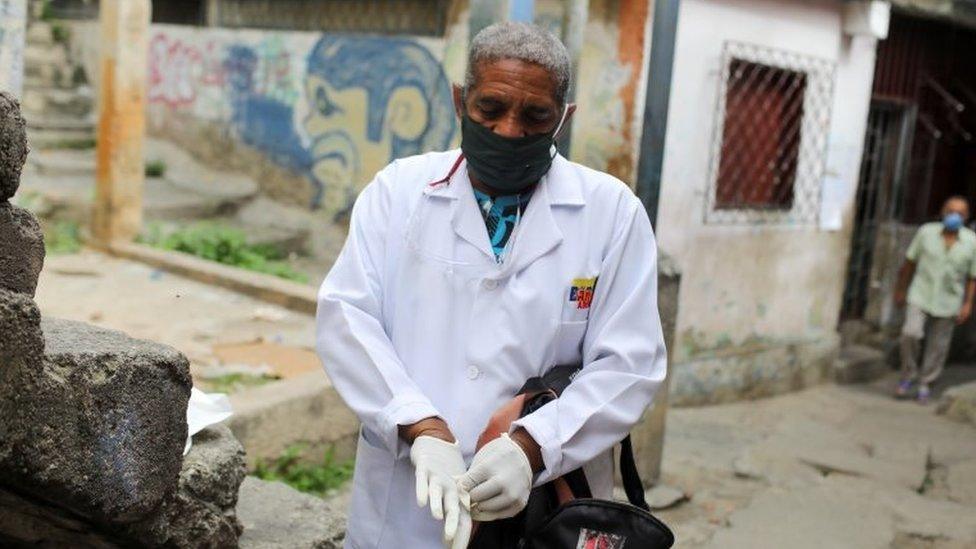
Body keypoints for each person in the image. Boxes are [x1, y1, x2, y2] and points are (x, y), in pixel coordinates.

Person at [315, 22, 666, 549]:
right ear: (461, 101)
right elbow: (348, 319)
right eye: (490, 108)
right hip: (406, 498)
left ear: (563, 118)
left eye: (535, 116)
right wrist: (418, 426)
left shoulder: (611, 213)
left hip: (544, 499)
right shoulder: (399, 192)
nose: (508, 130)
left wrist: (531, 447)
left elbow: (630, 363)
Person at [894, 196, 976, 403]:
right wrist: (901, 289)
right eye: (951, 211)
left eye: (960, 213)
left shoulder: (971, 242)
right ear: (943, 212)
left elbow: (972, 277)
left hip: (950, 298)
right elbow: (910, 262)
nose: (954, 216)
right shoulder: (926, 233)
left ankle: (926, 382)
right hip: (920, 293)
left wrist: (968, 303)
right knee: (910, 333)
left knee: (938, 345)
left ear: (966, 217)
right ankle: (907, 376)